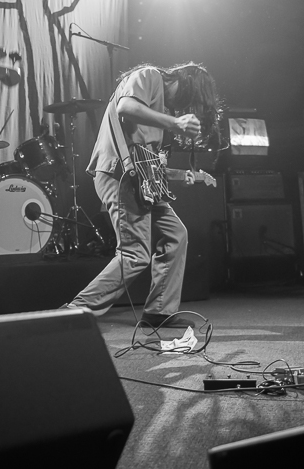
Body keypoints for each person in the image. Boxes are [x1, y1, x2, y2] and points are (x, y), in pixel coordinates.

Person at [65, 62, 218, 327]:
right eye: (187, 100)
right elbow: (126, 107)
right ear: (184, 83)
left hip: (140, 183)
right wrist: (175, 123)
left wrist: (187, 176)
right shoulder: (149, 76)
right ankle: (73, 311)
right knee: (135, 253)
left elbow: (149, 165)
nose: (181, 108)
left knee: (175, 235)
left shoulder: (158, 114)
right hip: (119, 176)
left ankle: (159, 310)